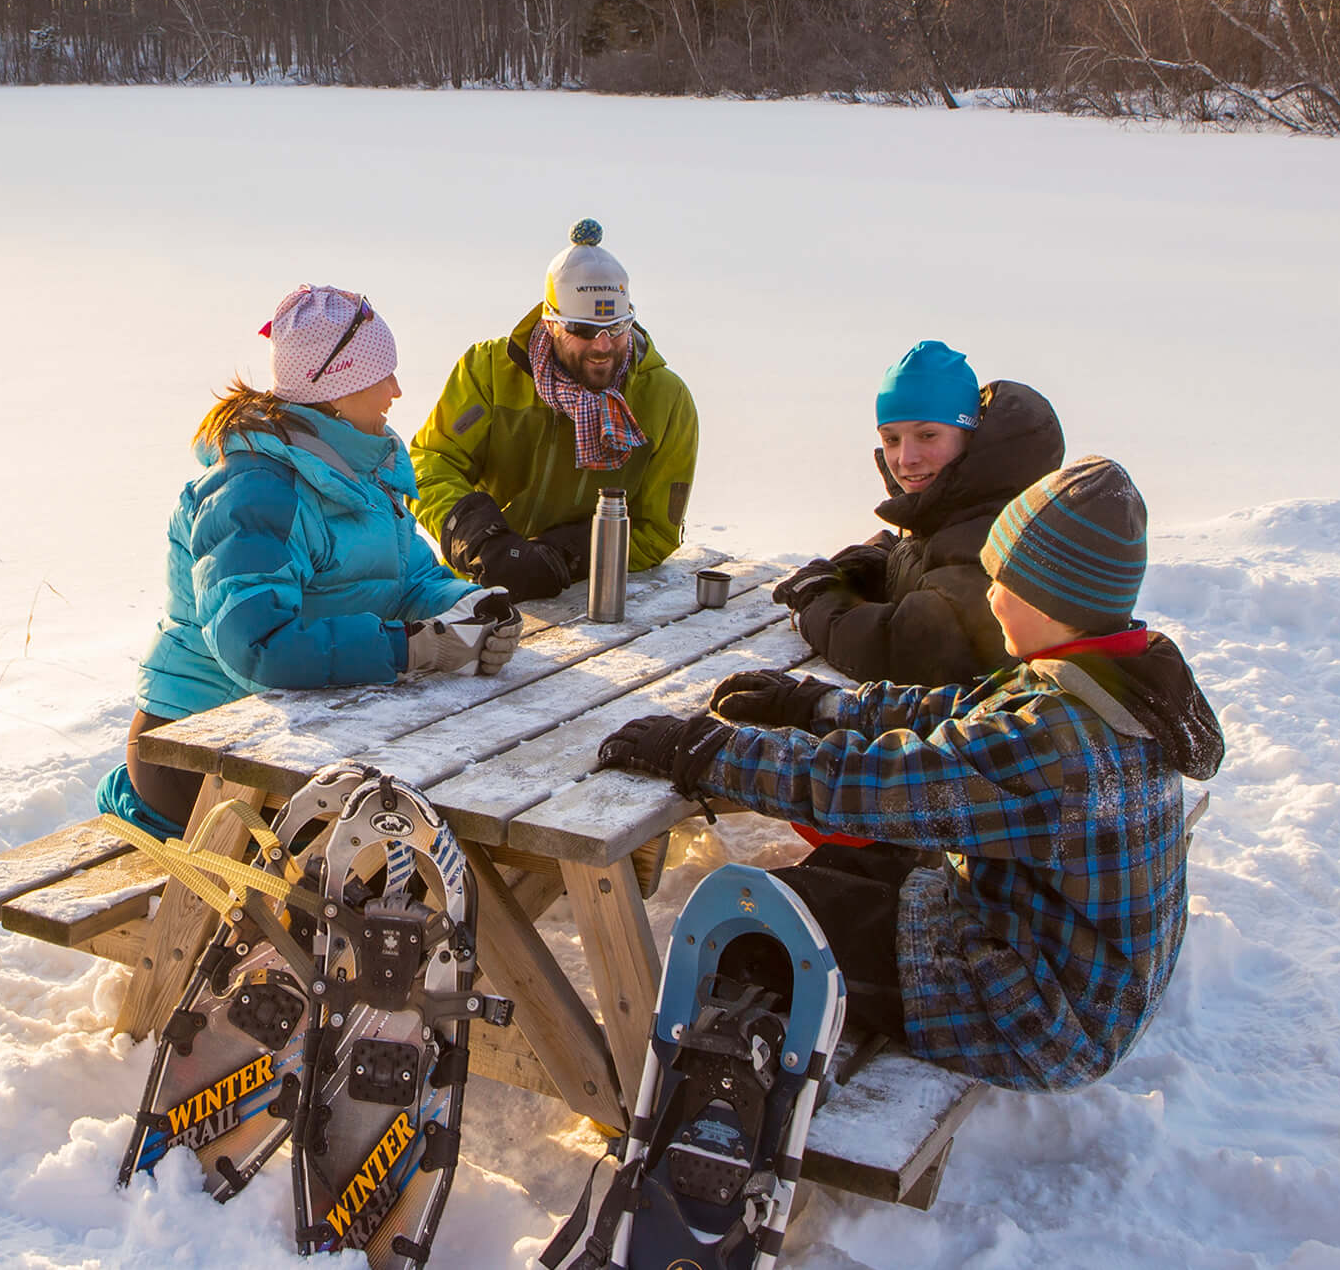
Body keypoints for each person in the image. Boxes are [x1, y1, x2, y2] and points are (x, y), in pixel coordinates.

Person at [594, 458, 1224, 1092]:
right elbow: (954, 710)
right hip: (1066, 964)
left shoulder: (1058, 743)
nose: (987, 593)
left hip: (1041, 1019)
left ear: (1049, 596)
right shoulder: (1102, 681)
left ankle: (712, 1121)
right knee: (827, 880)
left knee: (758, 929)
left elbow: (873, 785)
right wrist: (814, 705)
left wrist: (705, 752)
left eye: (1000, 578)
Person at [100, 285, 523, 840]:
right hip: (198, 751)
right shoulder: (255, 489)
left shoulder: (362, 465)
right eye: (382, 375)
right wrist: (409, 648)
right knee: (386, 848)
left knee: (435, 817)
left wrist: (469, 605)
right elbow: (259, 644)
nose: (397, 390)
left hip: (294, 737)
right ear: (336, 390)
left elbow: (410, 578)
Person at [410, 221, 700, 602]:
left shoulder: (667, 401)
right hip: (480, 588)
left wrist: (568, 553)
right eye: (582, 330)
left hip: (594, 598)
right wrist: (481, 540)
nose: (602, 346)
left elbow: (658, 529)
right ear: (551, 323)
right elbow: (432, 462)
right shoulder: (489, 372)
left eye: (616, 328)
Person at [771, 340, 1064, 686]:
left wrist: (817, 598)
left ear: (971, 436)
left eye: (927, 435)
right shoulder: (950, 506)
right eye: (891, 439)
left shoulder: (996, 533)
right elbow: (910, 557)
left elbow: (902, 648)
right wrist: (852, 570)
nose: (905, 458)